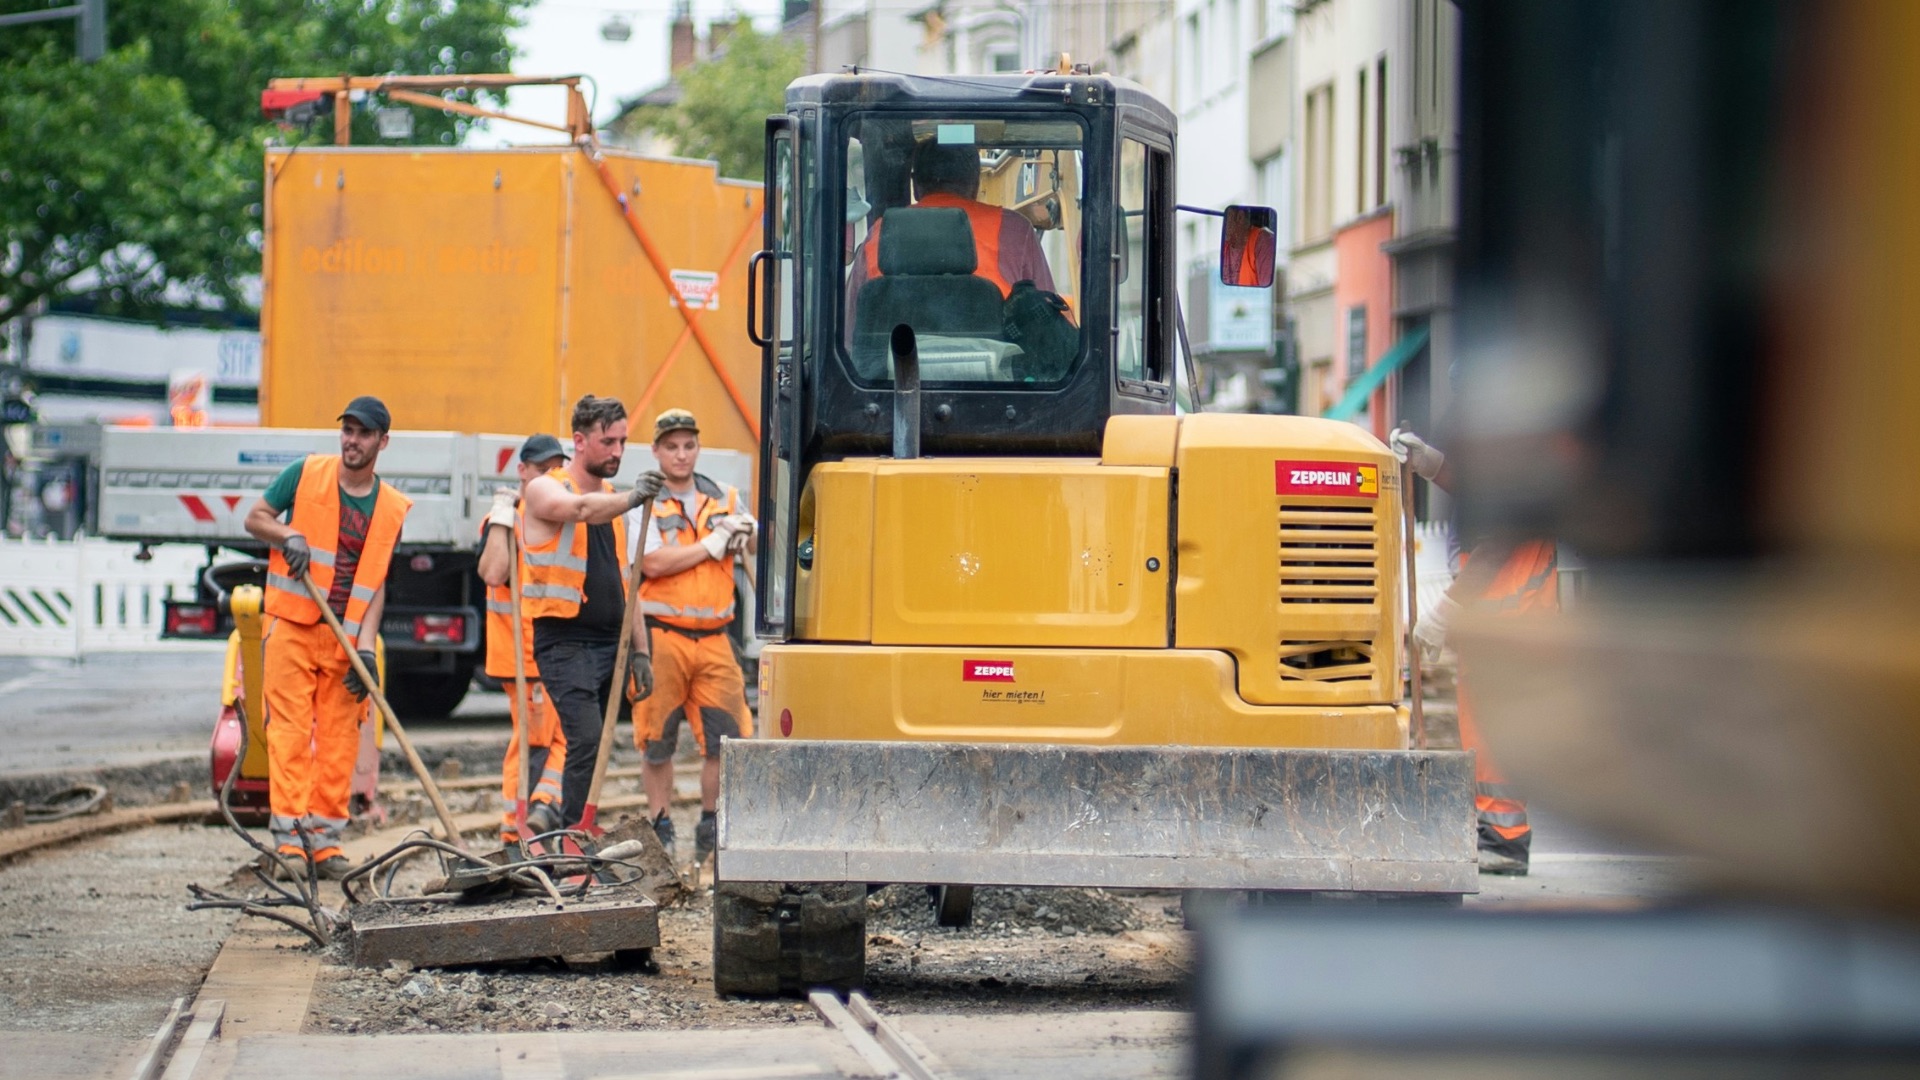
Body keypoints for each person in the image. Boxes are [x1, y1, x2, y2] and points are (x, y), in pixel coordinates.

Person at [244, 396, 412, 880]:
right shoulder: (306, 473)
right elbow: (255, 517)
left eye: (363, 434)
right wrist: (286, 536)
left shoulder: (391, 508)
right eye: (347, 431)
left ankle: (325, 844)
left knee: (340, 740)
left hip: (344, 637)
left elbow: (375, 583)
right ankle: (291, 844)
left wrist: (364, 646)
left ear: (382, 441)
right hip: (293, 626)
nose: (351, 441)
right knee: (290, 735)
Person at [1392, 425, 1556, 875]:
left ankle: (1505, 839)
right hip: (1502, 628)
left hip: (1513, 630)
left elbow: (1497, 545)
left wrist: (1444, 612)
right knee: (1484, 731)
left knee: (1495, 734)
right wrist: (1432, 465)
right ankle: (1497, 832)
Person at [520, 396, 665, 828]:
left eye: (622, 441)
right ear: (579, 442)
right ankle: (568, 832)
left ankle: (581, 826)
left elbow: (629, 582)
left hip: (610, 644)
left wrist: (641, 650)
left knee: (600, 745)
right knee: (583, 739)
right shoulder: (546, 487)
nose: (618, 451)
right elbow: (578, 510)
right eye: (608, 441)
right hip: (564, 641)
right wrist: (633, 498)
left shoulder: (615, 507)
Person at [629, 408, 755, 865]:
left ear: (697, 448)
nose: (681, 455)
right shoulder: (645, 501)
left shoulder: (724, 497)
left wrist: (744, 532)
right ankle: (661, 826)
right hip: (662, 637)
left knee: (728, 737)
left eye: (688, 446)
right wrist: (711, 545)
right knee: (656, 739)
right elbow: (653, 564)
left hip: (716, 636)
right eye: (672, 446)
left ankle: (710, 824)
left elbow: (757, 541)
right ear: (657, 451)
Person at [477, 434, 573, 844]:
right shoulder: (506, 520)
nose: (549, 476)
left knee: (561, 735)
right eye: (541, 469)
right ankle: (522, 825)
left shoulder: (556, 515)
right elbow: (494, 573)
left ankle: (538, 812)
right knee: (536, 741)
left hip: (550, 650)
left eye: (556, 468)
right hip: (524, 653)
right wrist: (502, 516)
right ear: (522, 471)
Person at [844, 139, 1055, 321]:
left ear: (916, 185)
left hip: (892, 366)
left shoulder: (879, 234)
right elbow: (1049, 315)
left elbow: (850, 332)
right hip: (996, 368)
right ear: (975, 182)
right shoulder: (1015, 230)